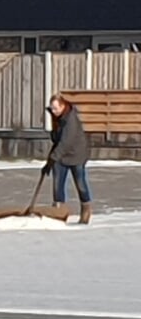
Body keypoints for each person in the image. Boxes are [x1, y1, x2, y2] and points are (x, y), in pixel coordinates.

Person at [48, 94, 93, 224]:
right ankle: (59, 212)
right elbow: (57, 140)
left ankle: (86, 209)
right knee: (57, 184)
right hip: (62, 156)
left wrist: (52, 159)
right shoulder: (57, 118)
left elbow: (66, 142)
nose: (53, 111)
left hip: (76, 155)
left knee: (80, 183)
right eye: (52, 109)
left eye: (55, 108)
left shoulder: (71, 119)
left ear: (62, 106)